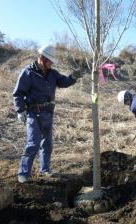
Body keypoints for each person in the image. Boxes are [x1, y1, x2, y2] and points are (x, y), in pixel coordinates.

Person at [13, 45, 82, 183]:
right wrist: (20, 111)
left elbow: (63, 82)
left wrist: (74, 76)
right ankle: (23, 173)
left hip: (48, 113)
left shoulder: (52, 73)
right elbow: (18, 93)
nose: (52, 64)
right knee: (33, 143)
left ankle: (45, 170)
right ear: (43, 59)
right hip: (33, 113)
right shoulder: (28, 73)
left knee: (47, 145)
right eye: (50, 61)